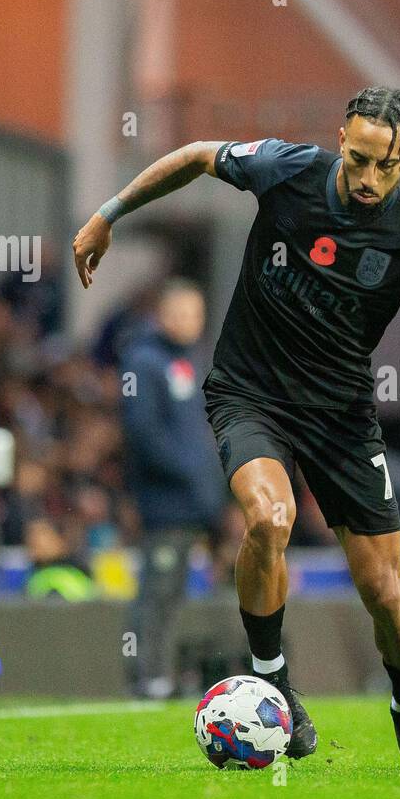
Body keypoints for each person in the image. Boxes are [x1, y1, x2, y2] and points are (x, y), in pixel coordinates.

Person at [72, 87, 400, 768]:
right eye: (362, 158)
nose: (370, 180)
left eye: (387, 167)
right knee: (268, 518)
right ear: (343, 137)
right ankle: (274, 680)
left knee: (384, 591)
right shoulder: (287, 169)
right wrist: (110, 214)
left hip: (342, 418)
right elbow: (196, 157)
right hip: (250, 395)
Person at [119, 280, 224, 699]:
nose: (188, 322)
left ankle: (158, 673)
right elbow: (142, 432)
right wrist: (191, 475)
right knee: (156, 591)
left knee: (173, 591)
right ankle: (145, 677)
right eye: (180, 313)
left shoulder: (191, 362)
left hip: (191, 503)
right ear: (161, 314)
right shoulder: (142, 361)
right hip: (163, 500)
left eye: (195, 315)